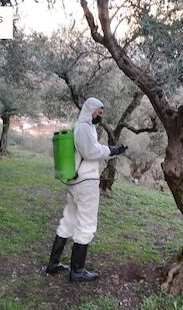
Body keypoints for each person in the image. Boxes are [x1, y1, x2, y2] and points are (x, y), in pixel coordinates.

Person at [45, 97, 128, 282]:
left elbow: (90, 149)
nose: (100, 115)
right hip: (85, 182)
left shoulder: (85, 126)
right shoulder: (83, 127)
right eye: (99, 112)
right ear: (91, 110)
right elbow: (90, 152)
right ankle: (77, 271)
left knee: (69, 220)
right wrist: (113, 150)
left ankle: (53, 264)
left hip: (77, 181)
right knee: (86, 223)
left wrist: (111, 150)